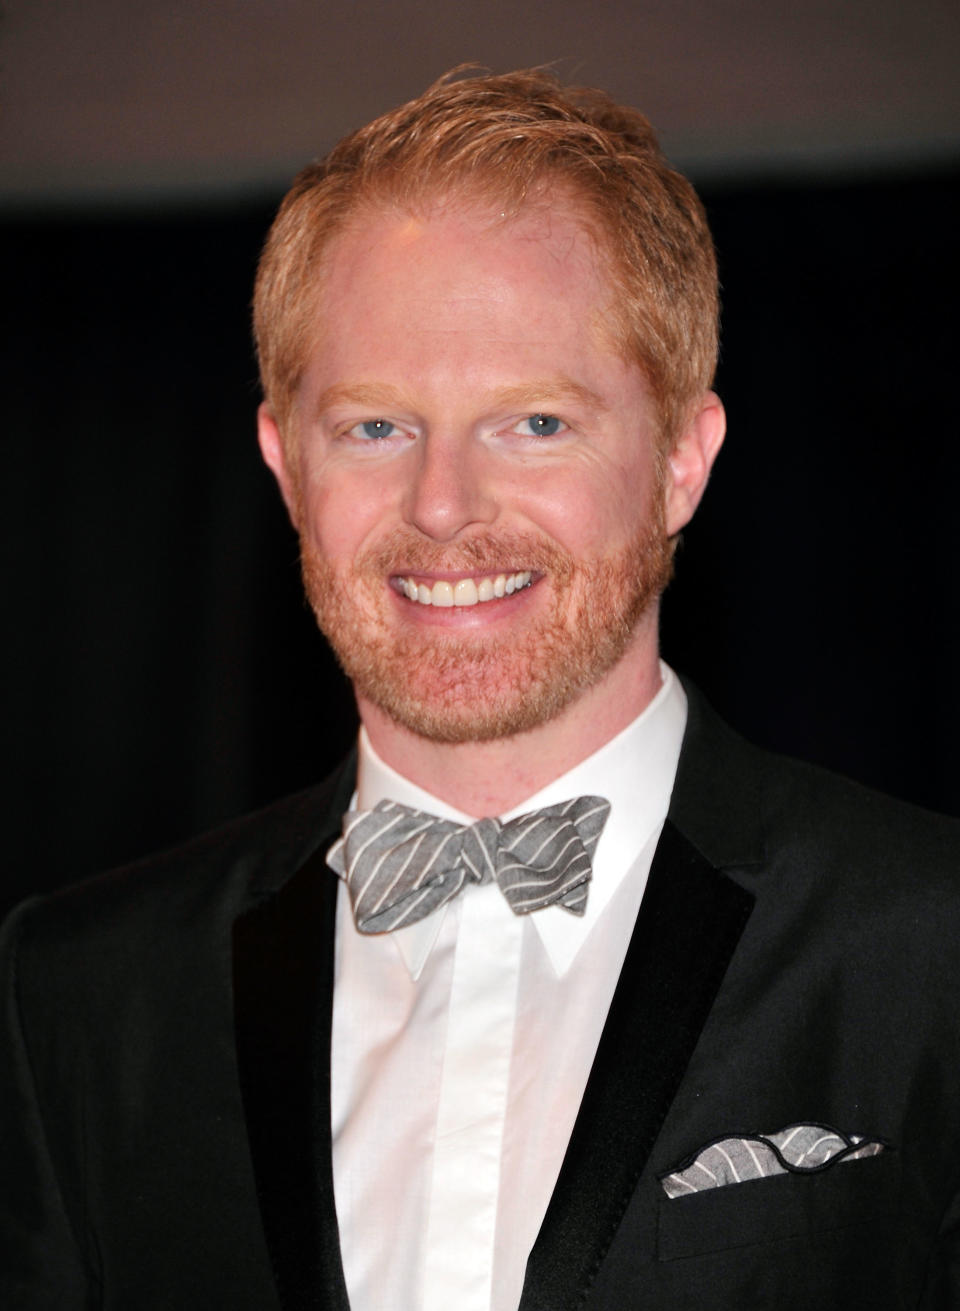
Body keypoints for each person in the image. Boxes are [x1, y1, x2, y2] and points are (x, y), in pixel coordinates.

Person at [2, 67, 958, 1311]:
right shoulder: (79, 997)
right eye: (377, 429)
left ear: (681, 461)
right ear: (285, 467)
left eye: (535, 424)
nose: (443, 506)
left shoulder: (929, 947)